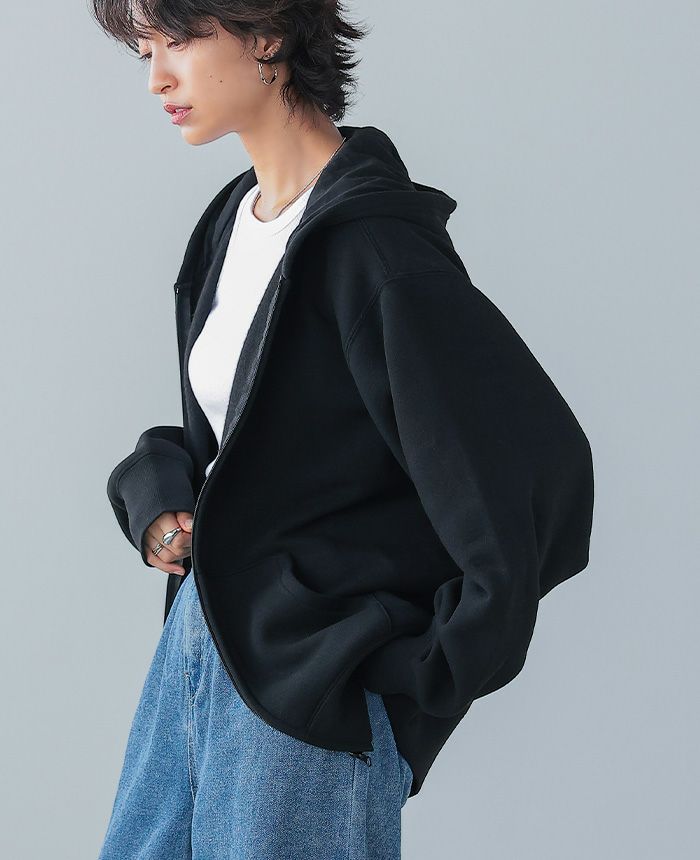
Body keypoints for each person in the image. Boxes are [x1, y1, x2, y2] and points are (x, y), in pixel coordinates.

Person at [92, 2, 595, 858]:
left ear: (266, 33)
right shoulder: (234, 223)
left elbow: (537, 477)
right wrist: (157, 492)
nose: (157, 78)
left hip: (303, 697)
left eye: (178, 40)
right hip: (199, 658)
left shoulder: (373, 248)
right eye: (145, 50)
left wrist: (412, 680)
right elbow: (259, 438)